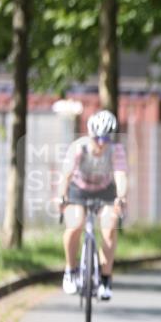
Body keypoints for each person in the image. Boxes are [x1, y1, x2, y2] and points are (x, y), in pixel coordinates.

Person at [56, 110, 128, 301]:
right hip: (78, 190)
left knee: (110, 228)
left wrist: (121, 197)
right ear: (90, 134)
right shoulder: (79, 148)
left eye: (107, 138)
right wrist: (61, 196)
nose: (102, 143)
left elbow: (120, 176)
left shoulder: (116, 150)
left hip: (104, 191)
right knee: (75, 224)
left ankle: (105, 279)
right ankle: (70, 270)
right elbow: (66, 175)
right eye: (98, 138)